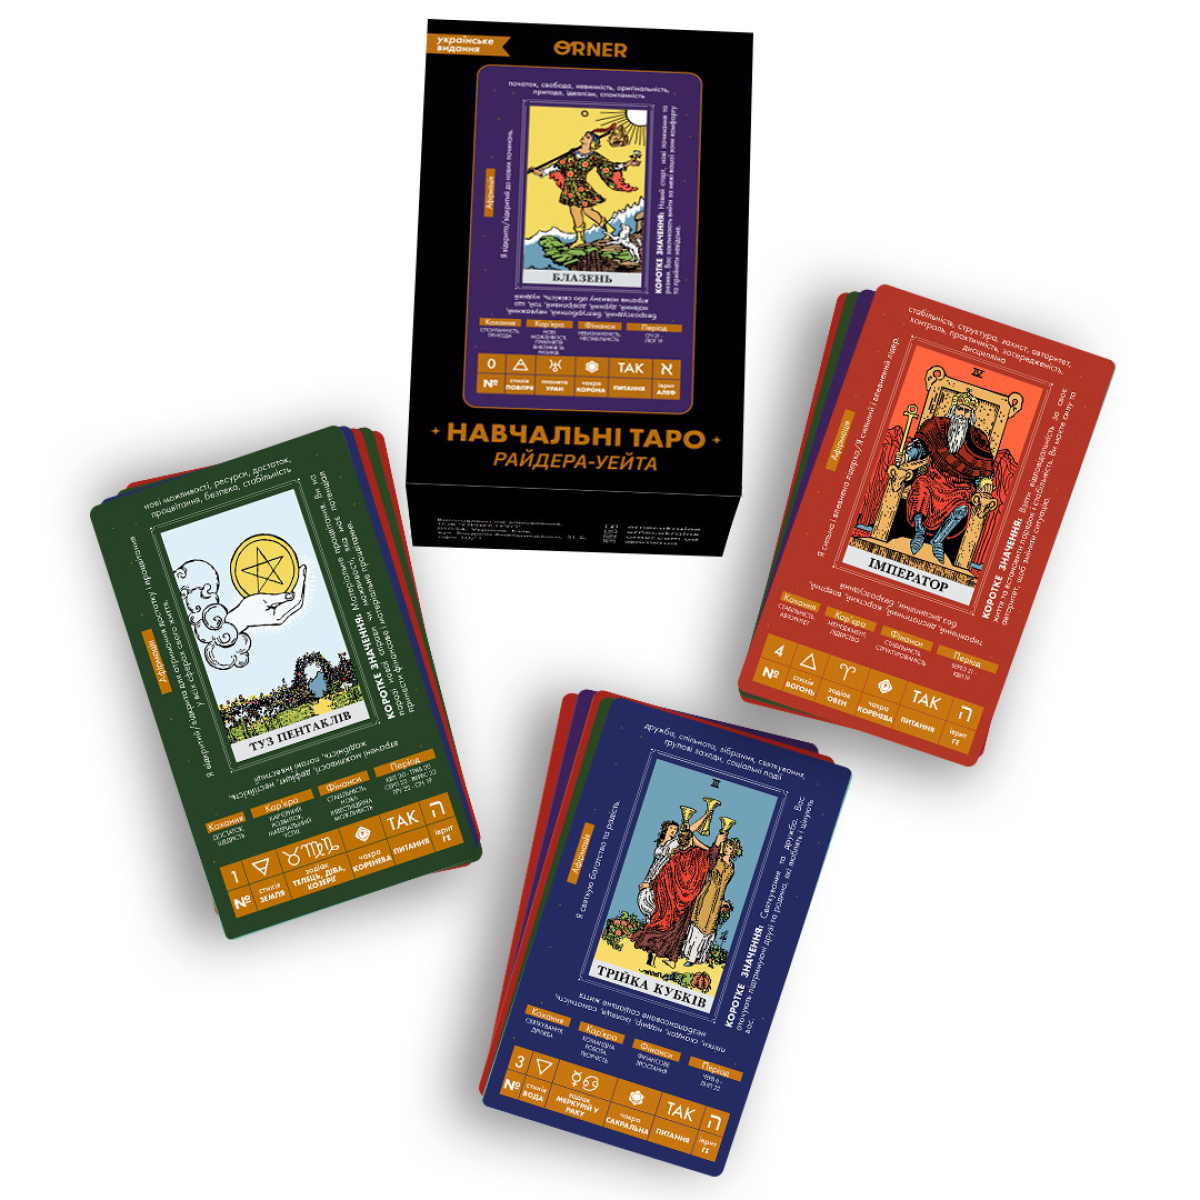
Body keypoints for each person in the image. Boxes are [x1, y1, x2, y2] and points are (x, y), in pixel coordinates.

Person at [902, 393, 994, 564]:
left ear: (971, 415)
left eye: (966, 411)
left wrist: (985, 483)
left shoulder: (978, 439)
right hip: (934, 478)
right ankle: (919, 533)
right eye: (960, 409)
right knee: (920, 486)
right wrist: (908, 456)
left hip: (960, 487)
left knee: (963, 508)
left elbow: (983, 470)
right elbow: (920, 447)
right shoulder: (936, 426)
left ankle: (938, 541)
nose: (962, 414)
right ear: (952, 410)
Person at [528, 125, 641, 246]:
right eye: (585, 135)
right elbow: (557, 166)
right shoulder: (572, 153)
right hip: (570, 186)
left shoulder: (594, 156)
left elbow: (610, 166)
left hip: (581, 186)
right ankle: (606, 228)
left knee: (579, 210)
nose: (584, 137)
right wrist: (542, 172)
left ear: (592, 142)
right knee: (584, 210)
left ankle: (582, 238)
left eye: (587, 137)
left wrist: (627, 164)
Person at [632, 827, 727, 967]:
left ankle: (652, 954)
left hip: (670, 901)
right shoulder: (697, 854)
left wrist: (650, 885)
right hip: (685, 904)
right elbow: (712, 862)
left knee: (662, 927)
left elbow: (662, 876)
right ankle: (670, 958)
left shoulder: (676, 857)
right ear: (691, 841)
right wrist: (717, 843)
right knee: (676, 932)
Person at [680, 838, 742, 966]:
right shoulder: (716, 859)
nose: (727, 849)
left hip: (717, 898)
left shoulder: (731, 867)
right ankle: (689, 955)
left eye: (730, 848)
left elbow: (723, 885)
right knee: (698, 924)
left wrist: (722, 900)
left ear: (733, 851)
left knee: (709, 927)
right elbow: (707, 853)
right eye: (726, 846)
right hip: (707, 893)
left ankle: (698, 957)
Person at [637, 812, 707, 920]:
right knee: (643, 901)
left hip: (661, 878)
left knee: (655, 905)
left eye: (675, 829)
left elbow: (690, 831)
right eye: (671, 828)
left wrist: (706, 815)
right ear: (665, 829)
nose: (673, 831)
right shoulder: (660, 844)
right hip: (650, 876)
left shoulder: (673, 843)